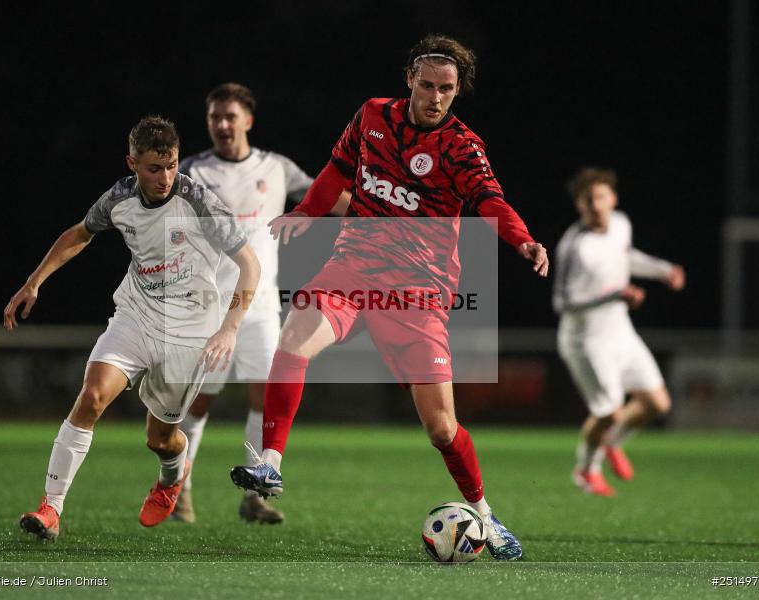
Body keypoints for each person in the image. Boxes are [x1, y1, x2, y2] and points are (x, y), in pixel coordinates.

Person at [229, 34, 549, 561]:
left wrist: (522, 239)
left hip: (419, 291)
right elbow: (337, 168)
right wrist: (308, 212)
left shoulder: (463, 147)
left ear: (457, 90)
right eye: (427, 85)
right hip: (354, 265)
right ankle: (271, 463)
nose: (436, 96)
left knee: (442, 428)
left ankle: (487, 518)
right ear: (409, 81)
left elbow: (490, 200)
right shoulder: (372, 116)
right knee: (294, 335)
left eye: (446, 88)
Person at [4, 116, 260, 540]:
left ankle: (172, 476)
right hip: (137, 313)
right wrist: (34, 282)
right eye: (154, 168)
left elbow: (249, 264)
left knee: (161, 439)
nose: (165, 177)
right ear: (132, 164)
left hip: (190, 330)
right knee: (92, 395)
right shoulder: (119, 198)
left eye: (172, 166)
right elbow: (80, 234)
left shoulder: (199, 201)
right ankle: (51, 508)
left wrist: (230, 328)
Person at [171, 83, 348, 525]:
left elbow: (323, 195)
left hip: (262, 307)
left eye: (230, 116)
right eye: (215, 117)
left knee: (264, 399)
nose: (223, 125)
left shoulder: (275, 167)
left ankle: (253, 496)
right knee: (197, 404)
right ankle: (178, 492)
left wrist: (374, 213)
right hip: (209, 308)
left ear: (248, 120)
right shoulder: (192, 172)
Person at [553, 167, 685, 497]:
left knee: (657, 403)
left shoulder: (621, 224)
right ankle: (585, 470)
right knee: (608, 411)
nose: (595, 205)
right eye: (587, 201)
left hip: (620, 331)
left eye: (600, 197)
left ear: (612, 199)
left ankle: (611, 444)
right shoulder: (574, 246)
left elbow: (626, 257)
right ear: (578, 206)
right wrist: (615, 294)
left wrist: (662, 270)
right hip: (585, 341)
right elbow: (562, 302)